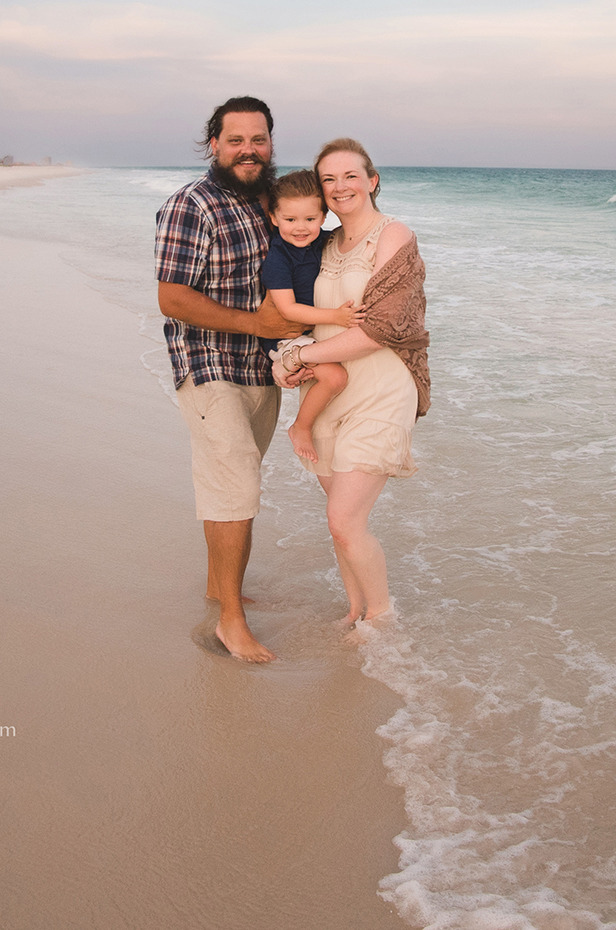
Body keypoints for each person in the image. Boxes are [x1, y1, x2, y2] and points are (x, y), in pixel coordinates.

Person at [154, 97, 304, 663]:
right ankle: (230, 622)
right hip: (207, 363)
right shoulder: (192, 205)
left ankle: (222, 588)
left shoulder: (272, 204)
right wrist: (254, 322)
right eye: (235, 139)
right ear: (212, 143)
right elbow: (171, 297)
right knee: (236, 479)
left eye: (259, 139)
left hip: (261, 369)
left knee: (231, 483)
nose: (249, 149)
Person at [273, 138, 431, 632]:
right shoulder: (317, 243)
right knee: (340, 524)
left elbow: (383, 326)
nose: (340, 187)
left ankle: (382, 619)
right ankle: (355, 609)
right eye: (329, 179)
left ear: (372, 180)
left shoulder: (393, 235)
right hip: (328, 393)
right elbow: (293, 313)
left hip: (382, 390)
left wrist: (302, 355)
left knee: (344, 520)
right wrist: (287, 361)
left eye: (350, 176)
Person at [259, 170, 361, 466]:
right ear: (274, 218)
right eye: (290, 220)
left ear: (324, 216)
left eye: (310, 219)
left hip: (311, 333)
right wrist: (336, 317)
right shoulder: (278, 258)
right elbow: (288, 309)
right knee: (335, 376)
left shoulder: (323, 241)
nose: (300, 228)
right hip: (284, 336)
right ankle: (300, 427)